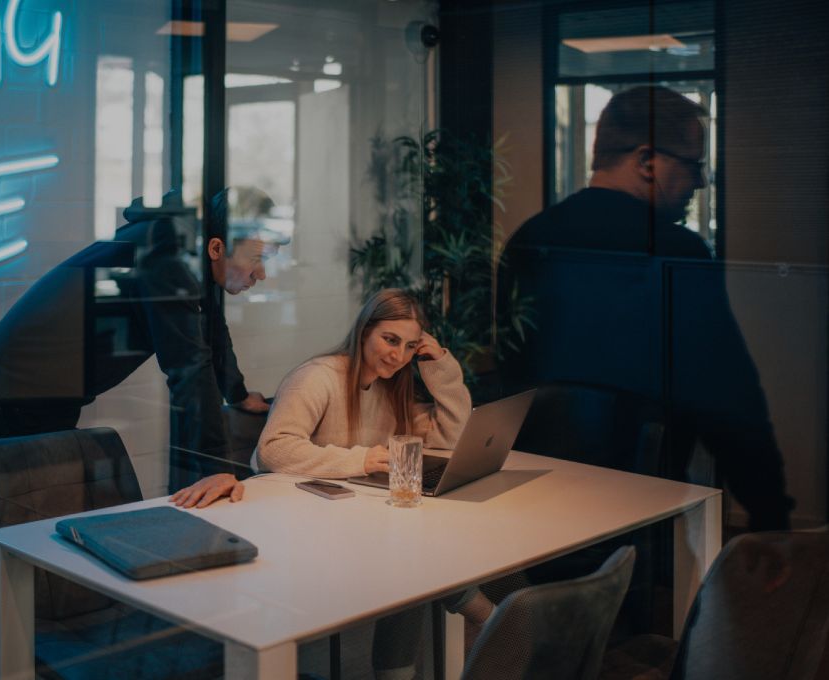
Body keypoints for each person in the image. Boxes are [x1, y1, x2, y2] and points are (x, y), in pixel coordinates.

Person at [0, 187, 283, 678]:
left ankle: (8, 657)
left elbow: (209, 332)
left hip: (39, 383)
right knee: (16, 527)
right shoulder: (167, 258)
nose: (262, 274)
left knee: (23, 527)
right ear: (217, 248)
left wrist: (238, 393)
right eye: (258, 260)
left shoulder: (183, 251)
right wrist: (218, 469)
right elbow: (187, 366)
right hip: (20, 385)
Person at [498, 85, 793, 530]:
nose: (701, 181)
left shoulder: (529, 238)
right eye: (693, 164)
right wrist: (768, 511)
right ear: (647, 161)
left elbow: (511, 372)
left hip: (530, 495)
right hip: (641, 502)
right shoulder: (675, 251)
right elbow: (726, 394)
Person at [179, 289, 493, 677]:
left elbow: (450, 437)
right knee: (415, 557)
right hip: (297, 525)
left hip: (347, 516)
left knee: (417, 552)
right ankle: (477, 615)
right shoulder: (318, 376)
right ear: (364, 331)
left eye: (411, 346)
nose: (398, 356)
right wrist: (359, 458)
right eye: (389, 340)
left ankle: (415, 660)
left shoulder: (389, 386)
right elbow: (273, 451)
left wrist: (441, 366)